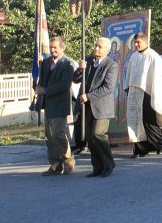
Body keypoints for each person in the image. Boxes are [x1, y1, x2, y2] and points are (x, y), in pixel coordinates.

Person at [124, 33, 162, 158]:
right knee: (134, 121)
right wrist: (128, 89)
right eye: (134, 42)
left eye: (138, 42)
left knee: (147, 122)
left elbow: (157, 79)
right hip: (134, 93)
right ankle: (138, 149)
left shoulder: (153, 56)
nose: (136, 45)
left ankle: (157, 144)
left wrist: (154, 94)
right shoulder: (133, 56)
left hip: (147, 93)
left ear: (145, 42)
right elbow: (129, 74)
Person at [73, 37, 118, 177]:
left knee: (98, 134)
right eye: (96, 46)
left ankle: (108, 164)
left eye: (100, 47)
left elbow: (108, 87)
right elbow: (75, 79)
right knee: (90, 137)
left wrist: (89, 96)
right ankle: (97, 167)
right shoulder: (88, 61)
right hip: (87, 107)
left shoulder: (111, 65)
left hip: (101, 107)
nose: (96, 49)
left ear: (107, 50)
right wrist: (80, 69)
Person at [36, 37, 76, 176]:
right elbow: (42, 80)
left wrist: (45, 90)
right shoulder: (46, 62)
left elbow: (65, 85)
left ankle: (68, 159)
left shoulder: (68, 64)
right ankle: (55, 163)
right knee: (49, 135)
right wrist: (39, 65)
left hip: (60, 103)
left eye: (55, 47)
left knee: (58, 133)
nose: (52, 50)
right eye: (51, 47)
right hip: (48, 103)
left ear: (62, 48)